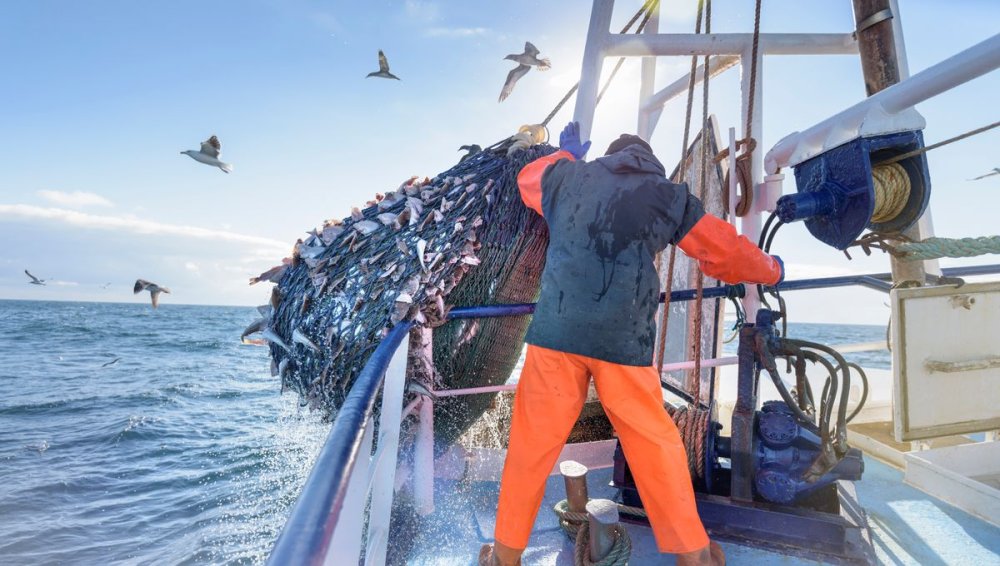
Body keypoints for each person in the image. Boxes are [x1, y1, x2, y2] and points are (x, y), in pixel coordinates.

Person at [478, 122, 784, 566]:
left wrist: (564, 156)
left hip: (556, 337)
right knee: (655, 445)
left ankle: (505, 555)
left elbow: (528, 178)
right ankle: (694, 554)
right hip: (624, 343)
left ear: (607, 157)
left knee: (530, 446)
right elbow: (724, 251)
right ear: (650, 164)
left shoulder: (568, 177)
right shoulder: (667, 195)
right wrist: (771, 270)